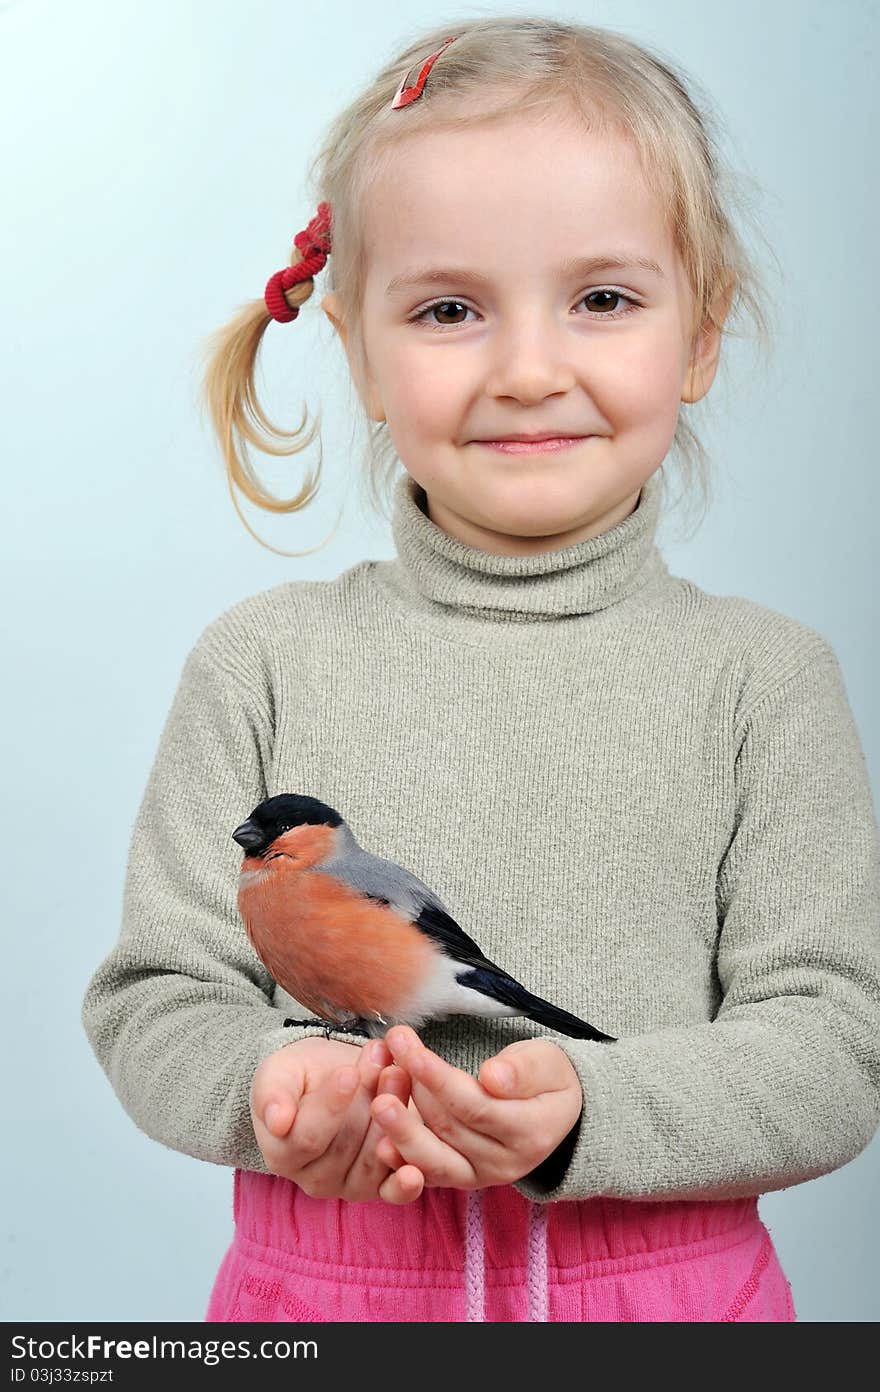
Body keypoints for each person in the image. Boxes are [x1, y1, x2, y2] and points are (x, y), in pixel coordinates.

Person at [81, 16, 880, 1323]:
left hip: (671, 1305)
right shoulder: (262, 663)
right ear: (361, 355)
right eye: (450, 309)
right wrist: (272, 1083)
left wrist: (595, 1108)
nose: (525, 369)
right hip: (323, 1301)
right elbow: (156, 997)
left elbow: (836, 1050)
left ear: (702, 333)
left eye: (603, 299)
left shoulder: (764, 683)